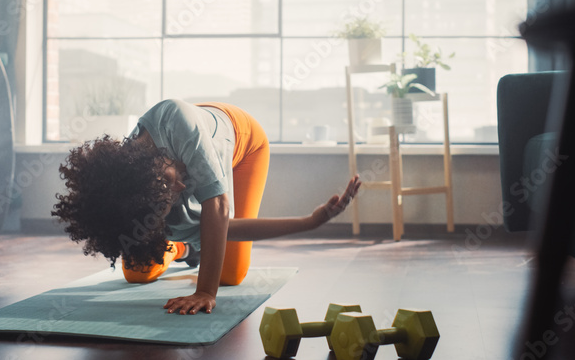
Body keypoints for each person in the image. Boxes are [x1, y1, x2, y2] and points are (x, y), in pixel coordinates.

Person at [52, 99, 361, 315]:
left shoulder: (173, 120)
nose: (182, 190)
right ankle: (183, 248)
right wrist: (309, 221)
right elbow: (220, 224)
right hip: (185, 150)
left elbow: (220, 210)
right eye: (167, 203)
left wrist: (205, 292)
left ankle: (185, 245)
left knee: (229, 275)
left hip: (243, 141)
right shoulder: (149, 196)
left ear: (148, 166)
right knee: (136, 273)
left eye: (166, 186)